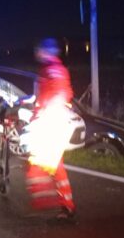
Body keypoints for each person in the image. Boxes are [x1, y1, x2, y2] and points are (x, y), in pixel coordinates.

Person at [23, 38, 76, 219]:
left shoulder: (53, 69)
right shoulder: (49, 69)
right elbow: (45, 94)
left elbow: (60, 94)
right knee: (55, 166)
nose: (37, 53)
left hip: (52, 121)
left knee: (39, 162)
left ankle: (49, 203)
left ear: (47, 51)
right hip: (50, 119)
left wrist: (45, 112)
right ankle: (65, 206)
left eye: (40, 50)